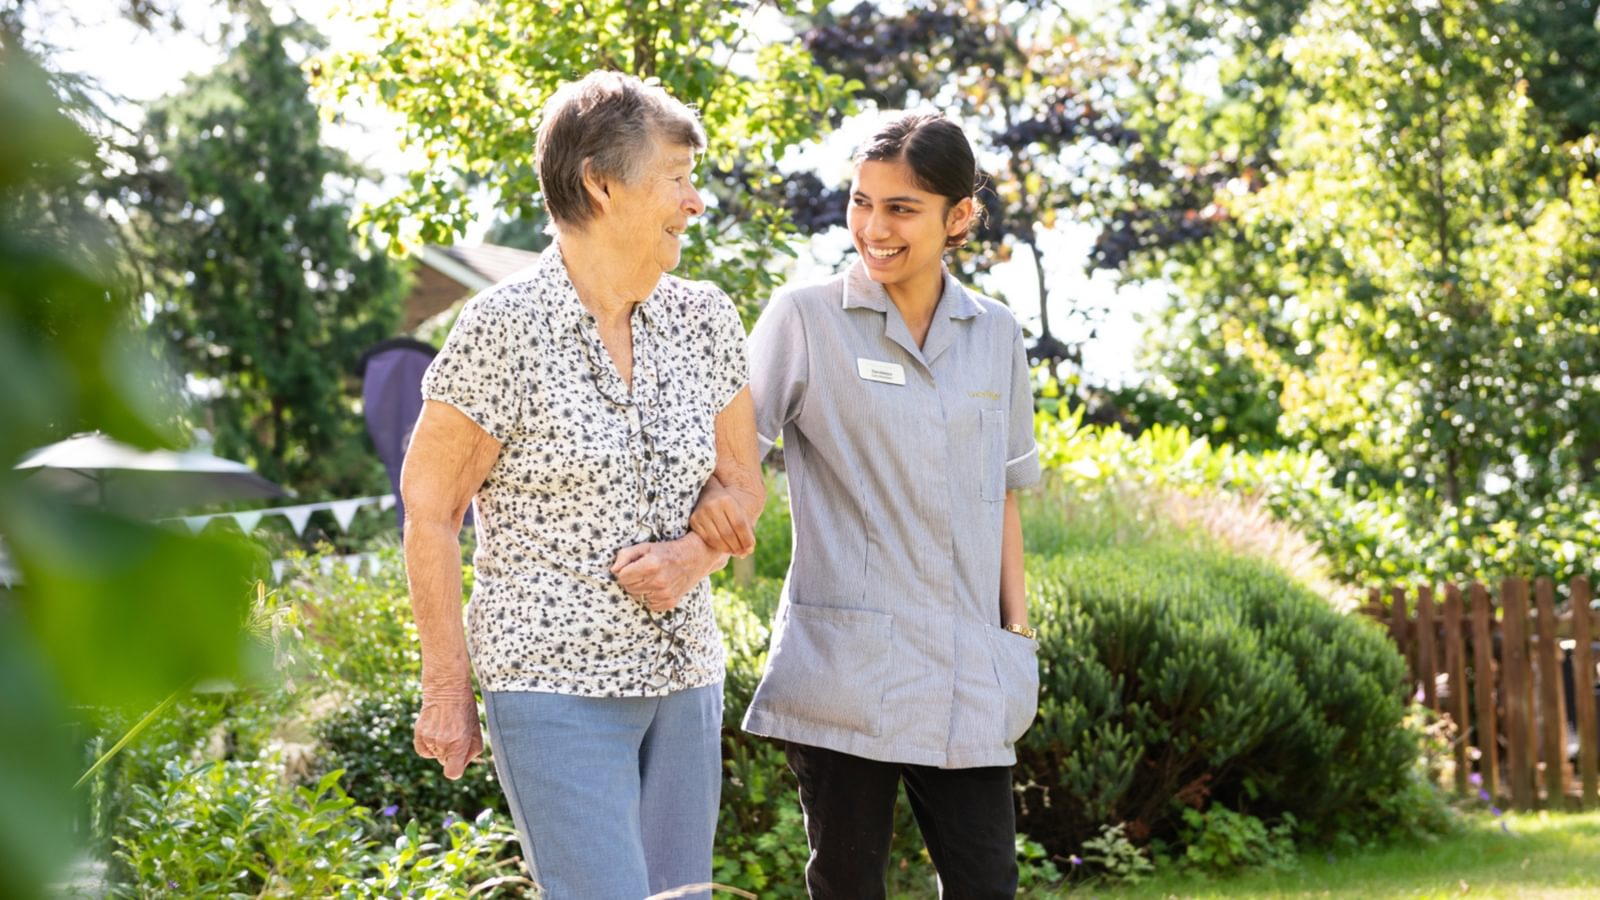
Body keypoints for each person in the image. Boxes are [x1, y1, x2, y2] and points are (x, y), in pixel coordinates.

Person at [401, 70, 764, 900]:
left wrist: (692, 556)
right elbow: (431, 512)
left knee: (682, 898)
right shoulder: (502, 329)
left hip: (684, 678)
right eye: (676, 177)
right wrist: (447, 688)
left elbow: (744, 488)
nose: (694, 201)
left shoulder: (705, 317)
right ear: (602, 183)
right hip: (553, 684)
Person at [695, 112, 1042, 899]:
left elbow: (1006, 496)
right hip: (847, 671)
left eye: (901, 208)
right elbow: (730, 457)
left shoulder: (995, 334)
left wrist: (1016, 635)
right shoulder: (805, 318)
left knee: (989, 884)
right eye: (862, 202)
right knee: (848, 885)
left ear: (959, 216)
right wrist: (701, 539)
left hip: (967, 672)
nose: (873, 228)